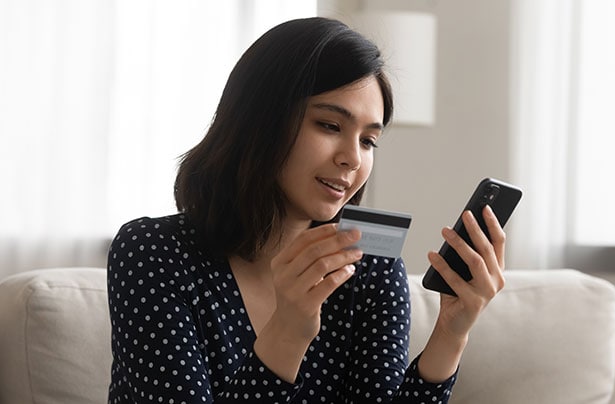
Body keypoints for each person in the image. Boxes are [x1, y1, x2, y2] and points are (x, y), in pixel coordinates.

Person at [107, 17, 506, 404]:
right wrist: (289, 330)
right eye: (330, 126)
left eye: (369, 141)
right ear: (260, 121)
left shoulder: (370, 267)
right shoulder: (152, 253)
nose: (352, 158)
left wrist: (451, 333)